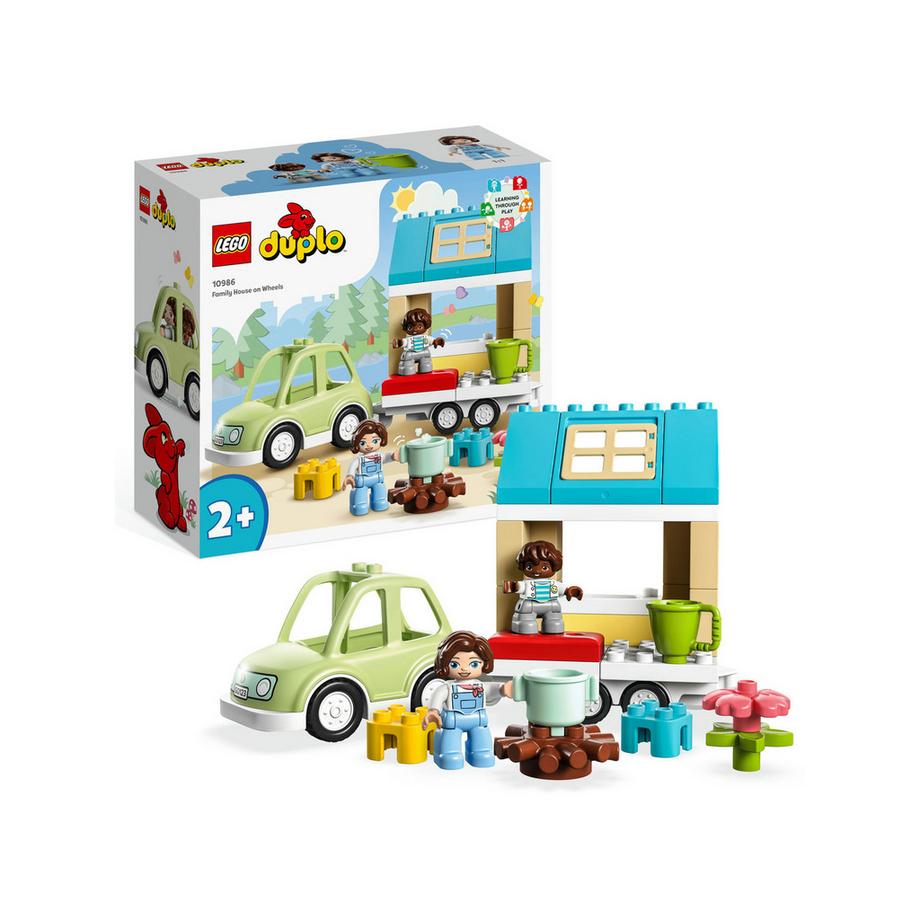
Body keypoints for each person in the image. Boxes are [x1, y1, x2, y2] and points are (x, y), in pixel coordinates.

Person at [422, 631, 512, 770]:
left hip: (478, 720)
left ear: (484, 663)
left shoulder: (479, 685)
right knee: (450, 742)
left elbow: (490, 690)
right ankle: (449, 755)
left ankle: (480, 753)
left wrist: (502, 689)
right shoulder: (447, 687)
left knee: (481, 739)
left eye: (474, 664)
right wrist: (433, 711)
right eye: (454, 664)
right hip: (453, 721)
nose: (464, 668)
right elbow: (438, 696)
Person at [503, 540, 583, 635]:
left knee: (554, 622)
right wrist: (513, 586)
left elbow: (563, 589)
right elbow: (519, 587)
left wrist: (569, 591)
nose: (537, 571)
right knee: (526, 624)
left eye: (544, 568)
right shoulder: (527, 584)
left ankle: (553, 627)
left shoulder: (554, 584)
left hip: (551, 605)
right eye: (529, 567)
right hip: (529, 605)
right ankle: (525, 627)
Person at [344, 420, 400, 516]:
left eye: (374, 441)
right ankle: (359, 505)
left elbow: (386, 457)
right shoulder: (359, 459)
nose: (369, 445)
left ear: (381, 440)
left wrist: (393, 456)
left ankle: (379, 502)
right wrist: (350, 476)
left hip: (377, 479)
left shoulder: (379, 456)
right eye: (363, 442)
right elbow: (353, 466)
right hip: (362, 481)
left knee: (380, 492)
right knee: (360, 496)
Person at [391, 308, 445, 375]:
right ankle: (407, 370)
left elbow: (431, 340)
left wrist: (436, 341)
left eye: (419, 327)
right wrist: (399, 343)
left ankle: (425, 368)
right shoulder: (408, 339)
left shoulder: (426, 338)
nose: (415, 329)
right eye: (410, 327)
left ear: (426, 325)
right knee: (407, 366)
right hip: (410, 354)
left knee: (426, 365)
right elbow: (404, 342)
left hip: (424, 353)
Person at [438, 135, 510, 161]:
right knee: (477, 157)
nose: (461, 141)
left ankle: (501, 156)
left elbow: (487, 145)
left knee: (494, 153)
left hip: (485, 149)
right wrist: (453, 152)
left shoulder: (477, 144)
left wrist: (497, 147)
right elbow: (452, 149)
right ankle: (481, 161)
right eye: (453, 141)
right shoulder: (457, 146)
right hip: (471, 152)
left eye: (464, 139)